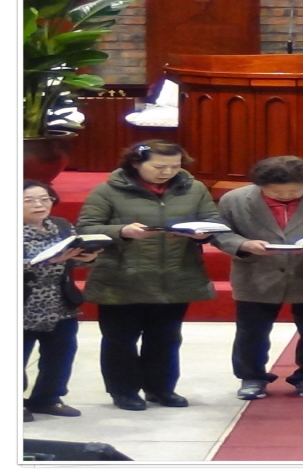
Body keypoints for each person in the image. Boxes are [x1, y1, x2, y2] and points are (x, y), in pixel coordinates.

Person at [76, 140, 218, 411]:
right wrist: (122, 231)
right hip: (122, 278)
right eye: (159, 166)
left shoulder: (194, 188)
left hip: (175, 275)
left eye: (175, 166)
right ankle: (124, 391)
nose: (168, 172)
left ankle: (161, 389)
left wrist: (204, 232)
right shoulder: (108, 190)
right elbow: (86, 228)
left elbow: (213, 219)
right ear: (136, 163)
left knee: (166, 338)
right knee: (120, 340)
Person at [211, 156, 303, 400]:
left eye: (294, 190)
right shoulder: (234, 199)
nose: (286, 195)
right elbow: (219, 232)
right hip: (257, 272)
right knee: (251, 332)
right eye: (277, 191)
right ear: (259, 185)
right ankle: (252, 377)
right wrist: (243, 244)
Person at [23, 179, 101, 423]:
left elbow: (70, 257)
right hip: (21, 305)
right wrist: (45, 261)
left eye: (44, 199)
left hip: (59, 302)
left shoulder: (61, 225)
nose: (39, 204)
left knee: (60, 354)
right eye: (29, 200)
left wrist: (87, 257)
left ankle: (47, 398)